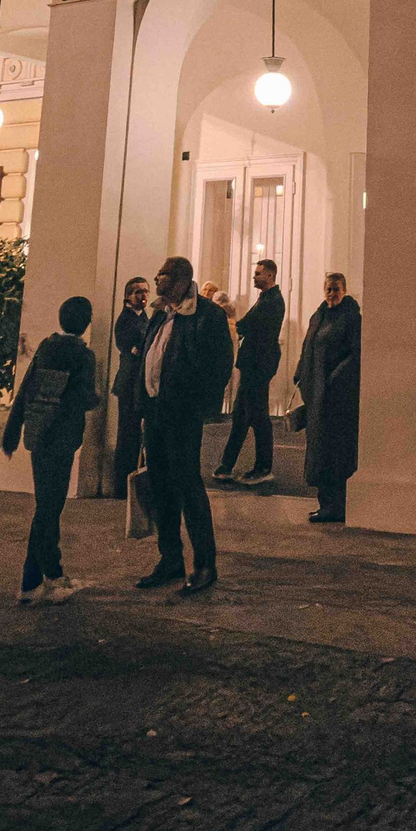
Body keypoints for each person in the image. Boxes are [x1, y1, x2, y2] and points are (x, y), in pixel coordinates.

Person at [135, 255, 234, 596]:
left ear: (179, 279)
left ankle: (205, 565)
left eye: (160, 275)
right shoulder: (161, 311)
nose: (156, 279)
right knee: (161, 486)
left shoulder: (208, 315)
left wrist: (196, 405)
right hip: (156, 413)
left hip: (182, 415)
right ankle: (170, 559)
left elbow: (220, 365)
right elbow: (149, 355)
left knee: (188, 487)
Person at [5, 295, 99, 604]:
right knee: (48, 508)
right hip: (62, 437)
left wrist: (12, 428)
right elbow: (84, 398)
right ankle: (32, 580)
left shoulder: (46, 348)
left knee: (46, 504)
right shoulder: (82, 356)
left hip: (39, 435)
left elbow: (27, 388)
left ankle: (52, 572)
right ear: (85, 324)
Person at [290, 272, 361, 524]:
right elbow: (308, 347)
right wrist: (300, 373)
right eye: (329, 289)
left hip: (336, 399)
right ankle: (325, 502)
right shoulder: (318, 316)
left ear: (344, 289)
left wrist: (334, 381)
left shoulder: (351, 318)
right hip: (317, 397)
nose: (332, 294)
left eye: (336, 289)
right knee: (319, 450)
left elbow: (354, 354)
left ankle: (336, 505)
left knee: (335, 451)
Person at [216, 259, 285, 486]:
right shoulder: (267, 300)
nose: (254, 277)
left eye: (258, 273)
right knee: (242, 416)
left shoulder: (271, 302)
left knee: (258, 417)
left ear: (270, 275)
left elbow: (246, 326)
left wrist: (234, 318)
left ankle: (262, 467)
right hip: (255, 365)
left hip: (257, 367)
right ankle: (228, 465)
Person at [110, 276, 152, 485]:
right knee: (127, 432)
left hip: (138, 381)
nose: (143, 296)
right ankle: (122, 482)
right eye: (138, 292)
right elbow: (129, 346)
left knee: (135, 432)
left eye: (146, 291)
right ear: (128, 296)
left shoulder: (143, 316)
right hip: (129, 382)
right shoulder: (126, 319)